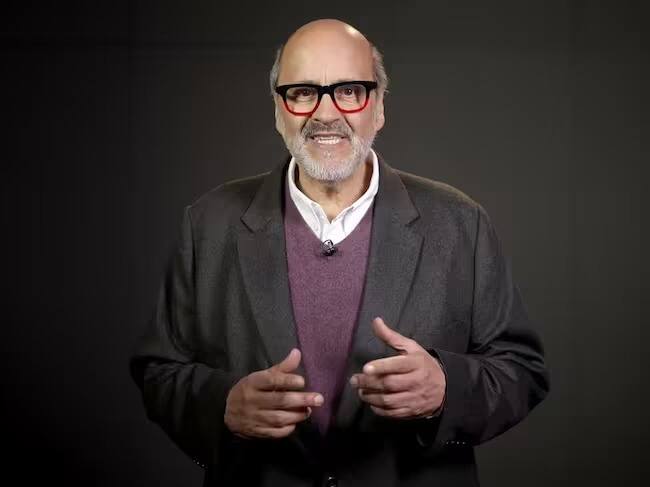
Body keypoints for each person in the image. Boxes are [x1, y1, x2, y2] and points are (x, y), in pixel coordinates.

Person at [130, 18, 549, 487]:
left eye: (349, 91)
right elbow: (158, 372)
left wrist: (446, 390)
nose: (326, 114)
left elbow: (522, 370)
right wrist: (221, 406)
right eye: (303, 92)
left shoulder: (460, 222)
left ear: (380, 107)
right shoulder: (208, 224)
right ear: (279, 110)